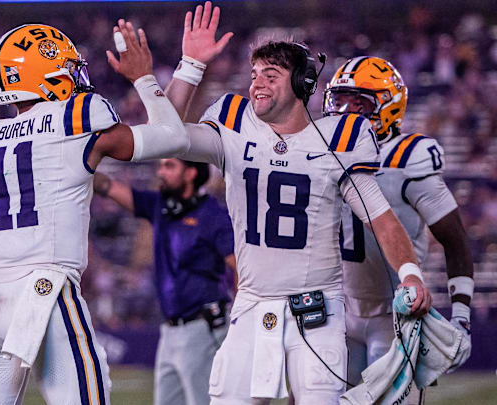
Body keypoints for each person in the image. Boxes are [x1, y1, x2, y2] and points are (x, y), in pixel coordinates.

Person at [162, 2, 433, 404]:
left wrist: (410, 273)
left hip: (317, 310)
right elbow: (166, 133)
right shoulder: (233, 122)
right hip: (252, 304)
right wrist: (190, 65)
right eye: (254, 75)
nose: (257, 84)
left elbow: (380, 216)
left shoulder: (339, 139)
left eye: (271, 76)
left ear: (303, 83)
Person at [0, 21, 189, 405]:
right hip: (46, 291)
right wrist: (144, 77)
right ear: (45, 74)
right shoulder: (77, 117)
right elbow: (174, 137)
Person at [324, 57, 474, 398]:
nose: (344, 111)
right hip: (337, 312)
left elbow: (455, 241)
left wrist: (462, 315)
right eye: (339, 99)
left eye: (358, 102)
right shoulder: (322, 151)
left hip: (394, 316)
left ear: (388, 106)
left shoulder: (409, 158)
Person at [93, 158, 235, 405]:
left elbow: (240, 267)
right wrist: (78, 166)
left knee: (204, 401)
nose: (160, 172)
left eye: (169, 166)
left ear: (191, 173)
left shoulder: (213, 215)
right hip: (169, 330)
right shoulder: (161, 206)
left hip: (203, 327)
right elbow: (107, 186)